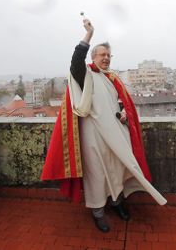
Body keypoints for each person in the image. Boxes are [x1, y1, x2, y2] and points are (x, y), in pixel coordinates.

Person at [41, 19, 167, 232]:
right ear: (93, 57)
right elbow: (75, 61)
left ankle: (117, 203)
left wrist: (125, 113)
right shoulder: (85, 75)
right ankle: (98, 213)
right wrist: (89, 35)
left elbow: (120, 103)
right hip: (93, 137)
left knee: (116, 171)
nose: (106, 58)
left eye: (109, 55)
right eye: (102, 55)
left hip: (117, 135)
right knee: (97, 175)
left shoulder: (113, 79)